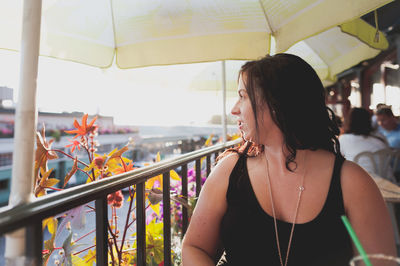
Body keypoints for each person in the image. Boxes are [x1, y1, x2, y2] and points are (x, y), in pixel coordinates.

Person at [182, 54, 396, 266]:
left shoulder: (352, 182)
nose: (234, 109)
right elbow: (194, 248)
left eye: (243, 96)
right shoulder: (230, 171)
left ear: (276, 104)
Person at [339, 107, 390, 176]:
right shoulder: (380, 136)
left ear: (349, 121)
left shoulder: (343, 139)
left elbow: (338, 160)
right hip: (385, 179)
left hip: (358, 179)